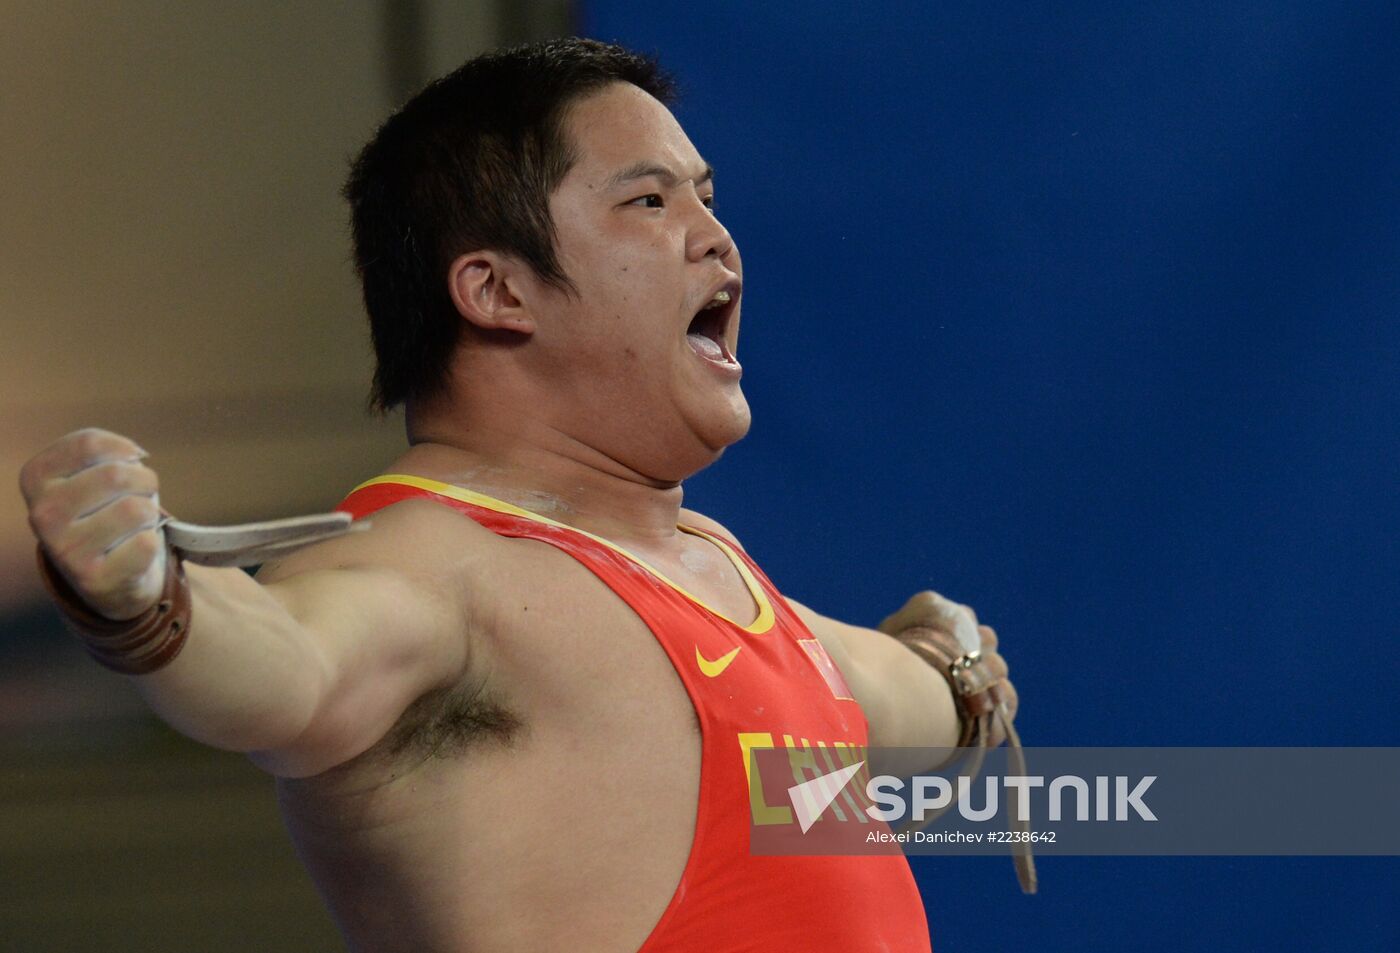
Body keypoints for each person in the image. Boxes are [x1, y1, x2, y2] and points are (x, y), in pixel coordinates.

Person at [19, 38, 1021, 952]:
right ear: (496, 291)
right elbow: (286, 666)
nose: (716, 239)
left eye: (707, 197)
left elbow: (894, 688)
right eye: (650, 202)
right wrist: (151, 603)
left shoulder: (704, 562)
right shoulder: (425, 561)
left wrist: (959, 668)